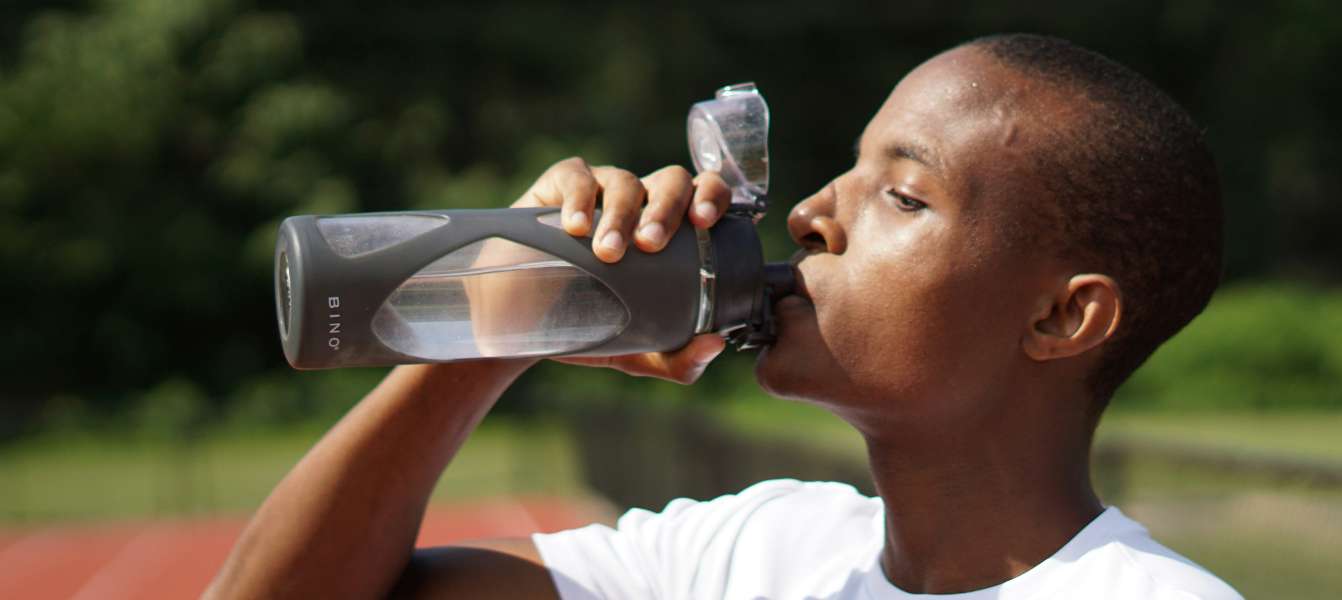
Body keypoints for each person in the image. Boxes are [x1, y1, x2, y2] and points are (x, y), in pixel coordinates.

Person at [206, 33, 1238, 600]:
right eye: (846, 169)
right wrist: (496, 317)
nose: (808, 215)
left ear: (1063, 319)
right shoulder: (752, 552)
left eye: (903, 196)